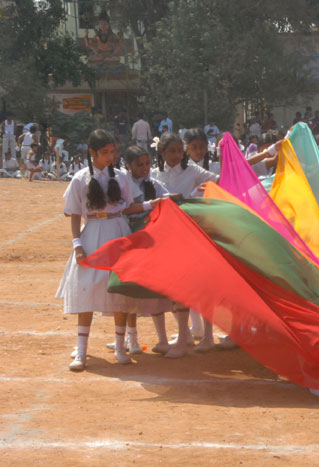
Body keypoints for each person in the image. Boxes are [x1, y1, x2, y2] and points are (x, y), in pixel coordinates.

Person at [57, 129, 159, 371]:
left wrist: (152, 204)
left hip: (118, 231)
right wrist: (77, 244)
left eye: (112, 151)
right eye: (105, 152)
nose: (110, 156)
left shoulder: (121, 177)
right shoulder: (80, 178)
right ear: (92, 152)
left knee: (119, 290)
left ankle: (120, 347)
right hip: (92, 233)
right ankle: (81, 351)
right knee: (87, 289)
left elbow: (128, 207)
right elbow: (74, 214)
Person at [151, 133, 219, 357]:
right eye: (171, 151)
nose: (176, 155)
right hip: (167, 235)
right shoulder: (155, 174)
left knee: (201, 285)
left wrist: (204, 192)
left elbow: (219, 179)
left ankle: (207, 335)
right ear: (162, 152)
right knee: (174, 287)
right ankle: (184, 335)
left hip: (192, 233)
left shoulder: (193, 171)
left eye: (179, 151)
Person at [120, 144, 174, 355]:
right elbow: (123, 209)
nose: (145, 168)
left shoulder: (154, 184)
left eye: (147, 164)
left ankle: (159, 338)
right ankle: (129, 337)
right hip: (128, 237)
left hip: (149, 241)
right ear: (128, 165)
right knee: (127, 289)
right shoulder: (122, 182)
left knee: (152, 288)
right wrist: (152, 204)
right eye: (139, 165)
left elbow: (168, 199)